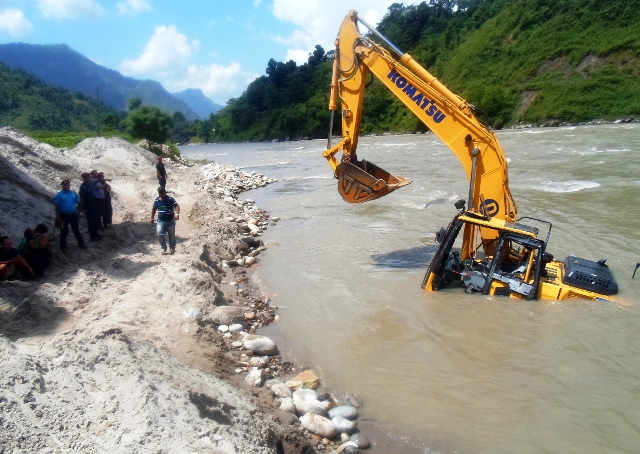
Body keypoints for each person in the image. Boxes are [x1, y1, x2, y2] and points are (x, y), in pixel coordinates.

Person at [55, 178, 87, 251]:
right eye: (64, 185)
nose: (65, 186)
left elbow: (79, 202)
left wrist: (79, 211)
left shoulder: (73, 193)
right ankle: (63, 246)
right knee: (64, 231)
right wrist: (57, 216)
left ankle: (81, 243)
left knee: (76, 229)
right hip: (64, 215)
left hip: (73, 214)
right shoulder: (60, 195)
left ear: (69, 185)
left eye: (67, 185)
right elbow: (57, 206)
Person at [150, 186, 180, 255]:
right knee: (159, 233)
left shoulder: (170, 199)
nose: (162, 195)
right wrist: (152, 217)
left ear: (165, 192)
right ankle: (163, 248)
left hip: (170, 221)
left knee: (172, 235)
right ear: (159, 194)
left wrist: (177, 214)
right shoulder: (157, 201)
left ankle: (172, 248)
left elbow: (176, 206)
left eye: (163, 193)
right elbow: (154, 209)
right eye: (160, 194)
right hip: (161, 221)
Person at [79, 173, 102, 241]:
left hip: (93, 204)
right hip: (88, 205)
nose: (89, 179)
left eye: (89, 178)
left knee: (96, 218)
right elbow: (82, 198)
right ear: (84, 179)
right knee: (91, 220)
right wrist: (80, 209)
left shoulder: (88, 185)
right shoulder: (83, 187)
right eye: (87, 178)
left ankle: (96, 233)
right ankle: (92, 236)